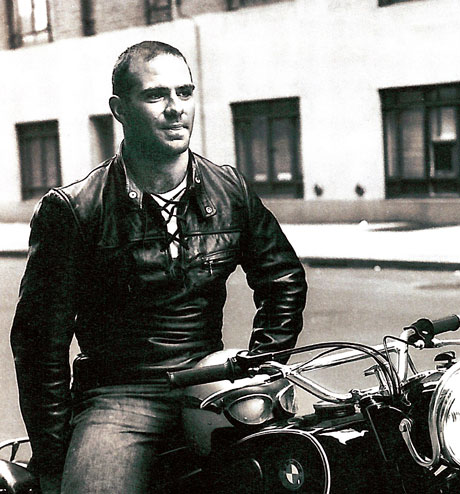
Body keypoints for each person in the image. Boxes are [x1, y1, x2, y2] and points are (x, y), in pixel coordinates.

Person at [10, 40, 307, 494]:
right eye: (156, 96)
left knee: (301, 469)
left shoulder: (230, 189)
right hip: (119, 394)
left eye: (185, 93)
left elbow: (282, 277)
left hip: (214, 375)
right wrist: (53, 457)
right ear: (119, 109)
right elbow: (39, 343)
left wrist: (261, 363)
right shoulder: (75, 209)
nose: (176, 109)